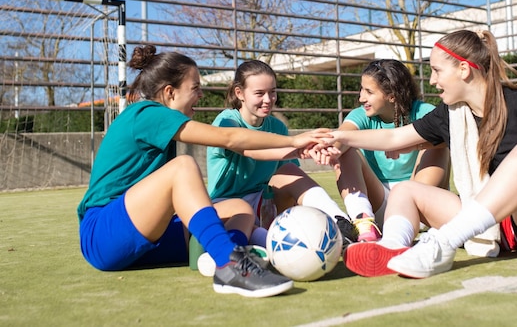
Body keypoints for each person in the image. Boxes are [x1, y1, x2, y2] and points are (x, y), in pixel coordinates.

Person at [316, 30, 517, 278]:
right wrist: (339, 136)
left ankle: (442, 243)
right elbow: (395, 136)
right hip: (497, 227)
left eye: (437, 70)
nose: (433, 80)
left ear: (464, 69)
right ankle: (393, 248)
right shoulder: (451, 115)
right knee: (408, 191)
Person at [77, 44, 331, 298]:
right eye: (195, 88)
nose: (201, 95)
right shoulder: (146, 114)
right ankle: (229, 266)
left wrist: (295, 146)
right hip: (103, 236)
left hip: (146, 238)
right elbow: (228, 138)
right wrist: (294, 141)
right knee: (183, 167)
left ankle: (228, 252)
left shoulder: (158, 120)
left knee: (239, 209)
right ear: (169, 92)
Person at [202, 59, 357, 273]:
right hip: (228, 207)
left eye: (272, 92)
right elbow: (250, 149)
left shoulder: (277, 127)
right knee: (246, 217)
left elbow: (289, 178)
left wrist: (310, 149)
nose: (268, 100)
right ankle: (269, 247)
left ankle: (340, 225)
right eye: (259, 93)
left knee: (290, 171)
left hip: (263, 204)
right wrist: (296, 146)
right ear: (239, 93)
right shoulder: (227, 122)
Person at [320, 59, 449, 243]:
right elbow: (342, 136)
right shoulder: (361, 115)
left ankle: (420, 213)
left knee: (438, 144)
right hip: (381, 206)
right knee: (347, 149)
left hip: (420, 204)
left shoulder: (424, 112)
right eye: (362, 89)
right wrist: (328, 149)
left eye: (369, 92)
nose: (361, 98)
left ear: (392, 96)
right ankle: (363, 221)